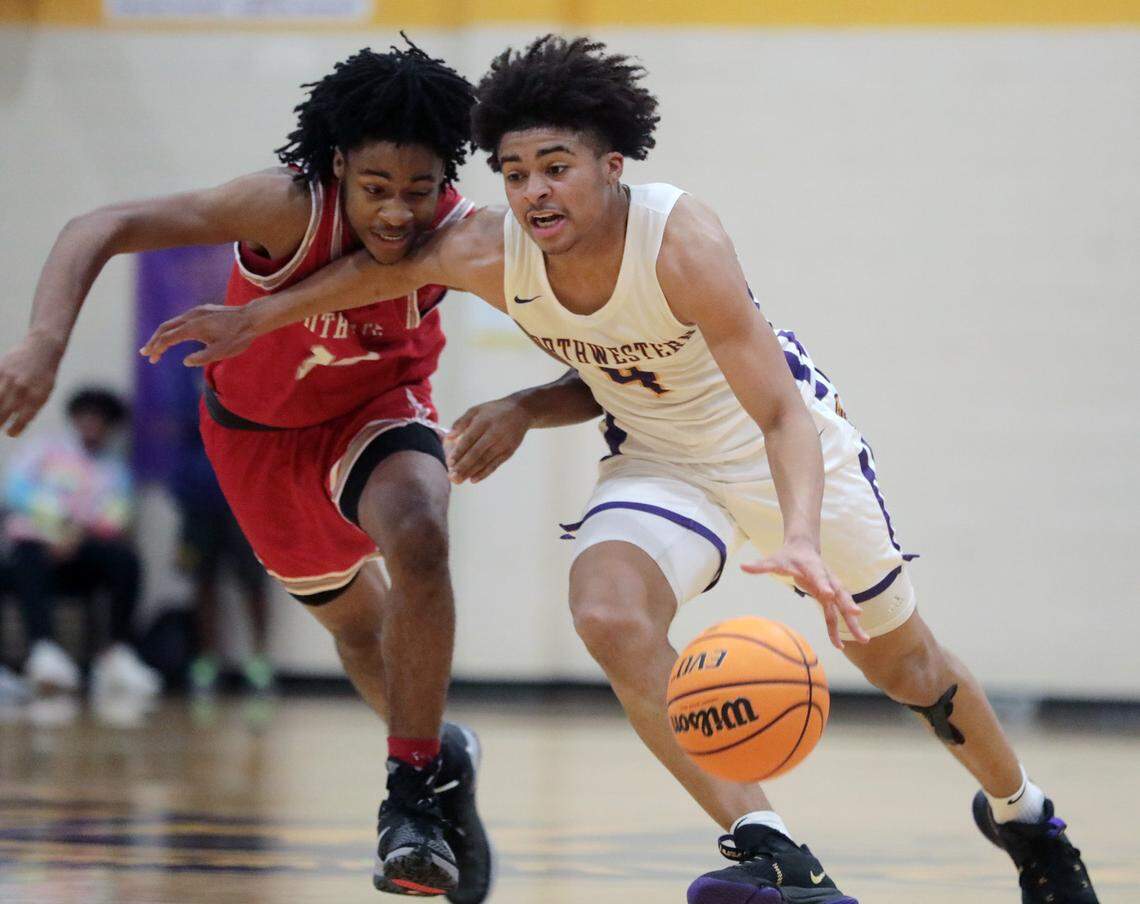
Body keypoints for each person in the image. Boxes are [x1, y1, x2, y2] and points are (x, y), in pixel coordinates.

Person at [143, 35, 1101, 904]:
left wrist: (799, 535)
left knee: (905, 666)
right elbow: (376, 277)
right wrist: (258, 319)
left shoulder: (680, 240)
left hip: (774, 450)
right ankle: (771, 848)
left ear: (612, 166)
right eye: (514, 172)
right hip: (657, 457)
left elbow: (777, 410)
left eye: (555, 168)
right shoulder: (490, 247)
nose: (534, 192)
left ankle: (1026, 817)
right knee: (606, 615)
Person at [0, 40, 493, 901]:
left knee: (419, 536)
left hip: (378, 406)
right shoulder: (282, 206)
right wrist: (45, 342)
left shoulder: (461, 226)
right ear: (338, 167)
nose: (396, 213)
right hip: (255, 441)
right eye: (376, 190)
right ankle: (442, 752)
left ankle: (410, 798)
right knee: (357, 631)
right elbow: (98, 225)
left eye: (418, 191)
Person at [2, 387, 161, 698]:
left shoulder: (114, 469)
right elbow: (16, 490)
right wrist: (60, 526)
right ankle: (43, 650)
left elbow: (117, 516)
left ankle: (117, 653)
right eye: (86, 416)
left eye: (100, 419)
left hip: (84, 552)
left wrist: (78, 535)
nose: (92, 424)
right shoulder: (44, 450)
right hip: (37, 546)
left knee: (125, 560)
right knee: (27, 556)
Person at [169, 417, 272, 695]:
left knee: (254, 583)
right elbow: (181, 445)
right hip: (201, 508)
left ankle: (259, 661)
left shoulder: (250, 382)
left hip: (245, 504)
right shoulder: (186, 386)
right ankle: (206, 662)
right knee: (203, 584)